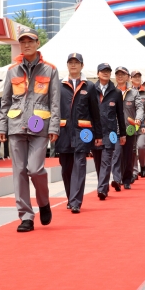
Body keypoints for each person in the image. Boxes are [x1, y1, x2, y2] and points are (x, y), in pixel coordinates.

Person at [0, 28, 60, 232]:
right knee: (19, 172)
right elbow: (5, 102)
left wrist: (54, 128)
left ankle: (43, 202)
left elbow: (55, 102)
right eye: (23, 41)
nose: (26, 45)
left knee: (35, 169)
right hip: (16, 126)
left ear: (37, 43)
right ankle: (26, 216)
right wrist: (2, 126)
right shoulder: (12, 70)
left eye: (30, 41)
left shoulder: (50, 69)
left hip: (40, 127)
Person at [55, 53, 103, 213]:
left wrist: (98, 135)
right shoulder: (58, 85)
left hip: (83, 133)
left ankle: (76, 201)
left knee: (80, 165)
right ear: (67, 65)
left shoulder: (89, 86)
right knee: (66, 167)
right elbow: (53, 109)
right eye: (71, 62)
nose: (73, 65)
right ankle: (70, 198)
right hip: (63, 132)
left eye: (77, 62)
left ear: (82, 66)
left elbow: (95, 112)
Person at [92, 63, 126, 200]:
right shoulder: (91, 90)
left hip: (110, 132)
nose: (105, 73)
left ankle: (101, 190)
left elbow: (120, 114)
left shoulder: (116, 92)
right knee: (98, 161)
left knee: (106, 160)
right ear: (98, 73)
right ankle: (104, 185)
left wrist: (122, 134)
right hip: (95, 132)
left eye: (108, 71)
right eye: (103, 71)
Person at [111, 67, 143, 189]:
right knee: (116, 153)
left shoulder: (134, 92)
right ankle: (116, 179)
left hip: (129, 128)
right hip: (115, 128)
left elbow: (139, 107)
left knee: (128, 154)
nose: (120, 76)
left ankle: (127, 179)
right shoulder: (112, 92)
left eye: (123, 74)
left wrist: (138, 119)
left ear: (128, 77)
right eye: (118, 74)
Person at [130, 71, 145, 179]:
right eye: (135, 76)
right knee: (133, 147)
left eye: (139, 76)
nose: (137, 78)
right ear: (131, 78)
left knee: (141, 145)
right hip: (131, 123)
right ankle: (134, 171)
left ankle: (143, 165)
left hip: (143, 123)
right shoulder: (128, 91)